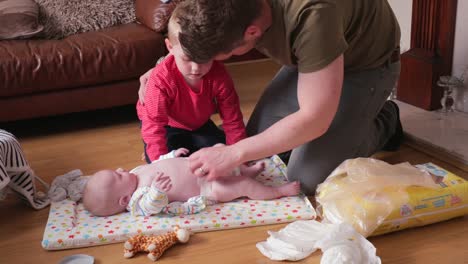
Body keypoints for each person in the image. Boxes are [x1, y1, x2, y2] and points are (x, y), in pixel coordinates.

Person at [138, 0, 403, 195]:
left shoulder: (313, 15)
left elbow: (315, 118)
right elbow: (188, 30)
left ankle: (384, 120)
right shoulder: (232, 13)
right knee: (257, 150)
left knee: (307, 179)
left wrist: (234, 153)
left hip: (366, 65)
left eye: (215, 58)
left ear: (252, 33)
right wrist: (165, 69)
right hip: (310, 59)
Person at [137, 5, 246, 163]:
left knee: (218, 151)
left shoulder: (220, 75)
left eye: (204, 60)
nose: (196, 68)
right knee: (171, 159)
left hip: (198, 123)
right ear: (170, 47)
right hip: (166, 125)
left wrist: (238, 156)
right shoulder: (160, 81)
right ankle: (148, 149)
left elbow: (233, 118)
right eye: (187, 59)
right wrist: (158, 161)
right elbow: (153, 127)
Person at [82, 147, 300, 217]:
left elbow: (158, 163)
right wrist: (157, 191)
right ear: (124, 199)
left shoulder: (136, 172)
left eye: (116, 170)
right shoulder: (138, 200)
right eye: (118, 176)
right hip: (206, 187)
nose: (121, 170)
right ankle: (277, 192)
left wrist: (172, 155)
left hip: (200, 167)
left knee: (218, 149)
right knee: (240, 185)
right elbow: (152, 207)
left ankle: (247, 170)